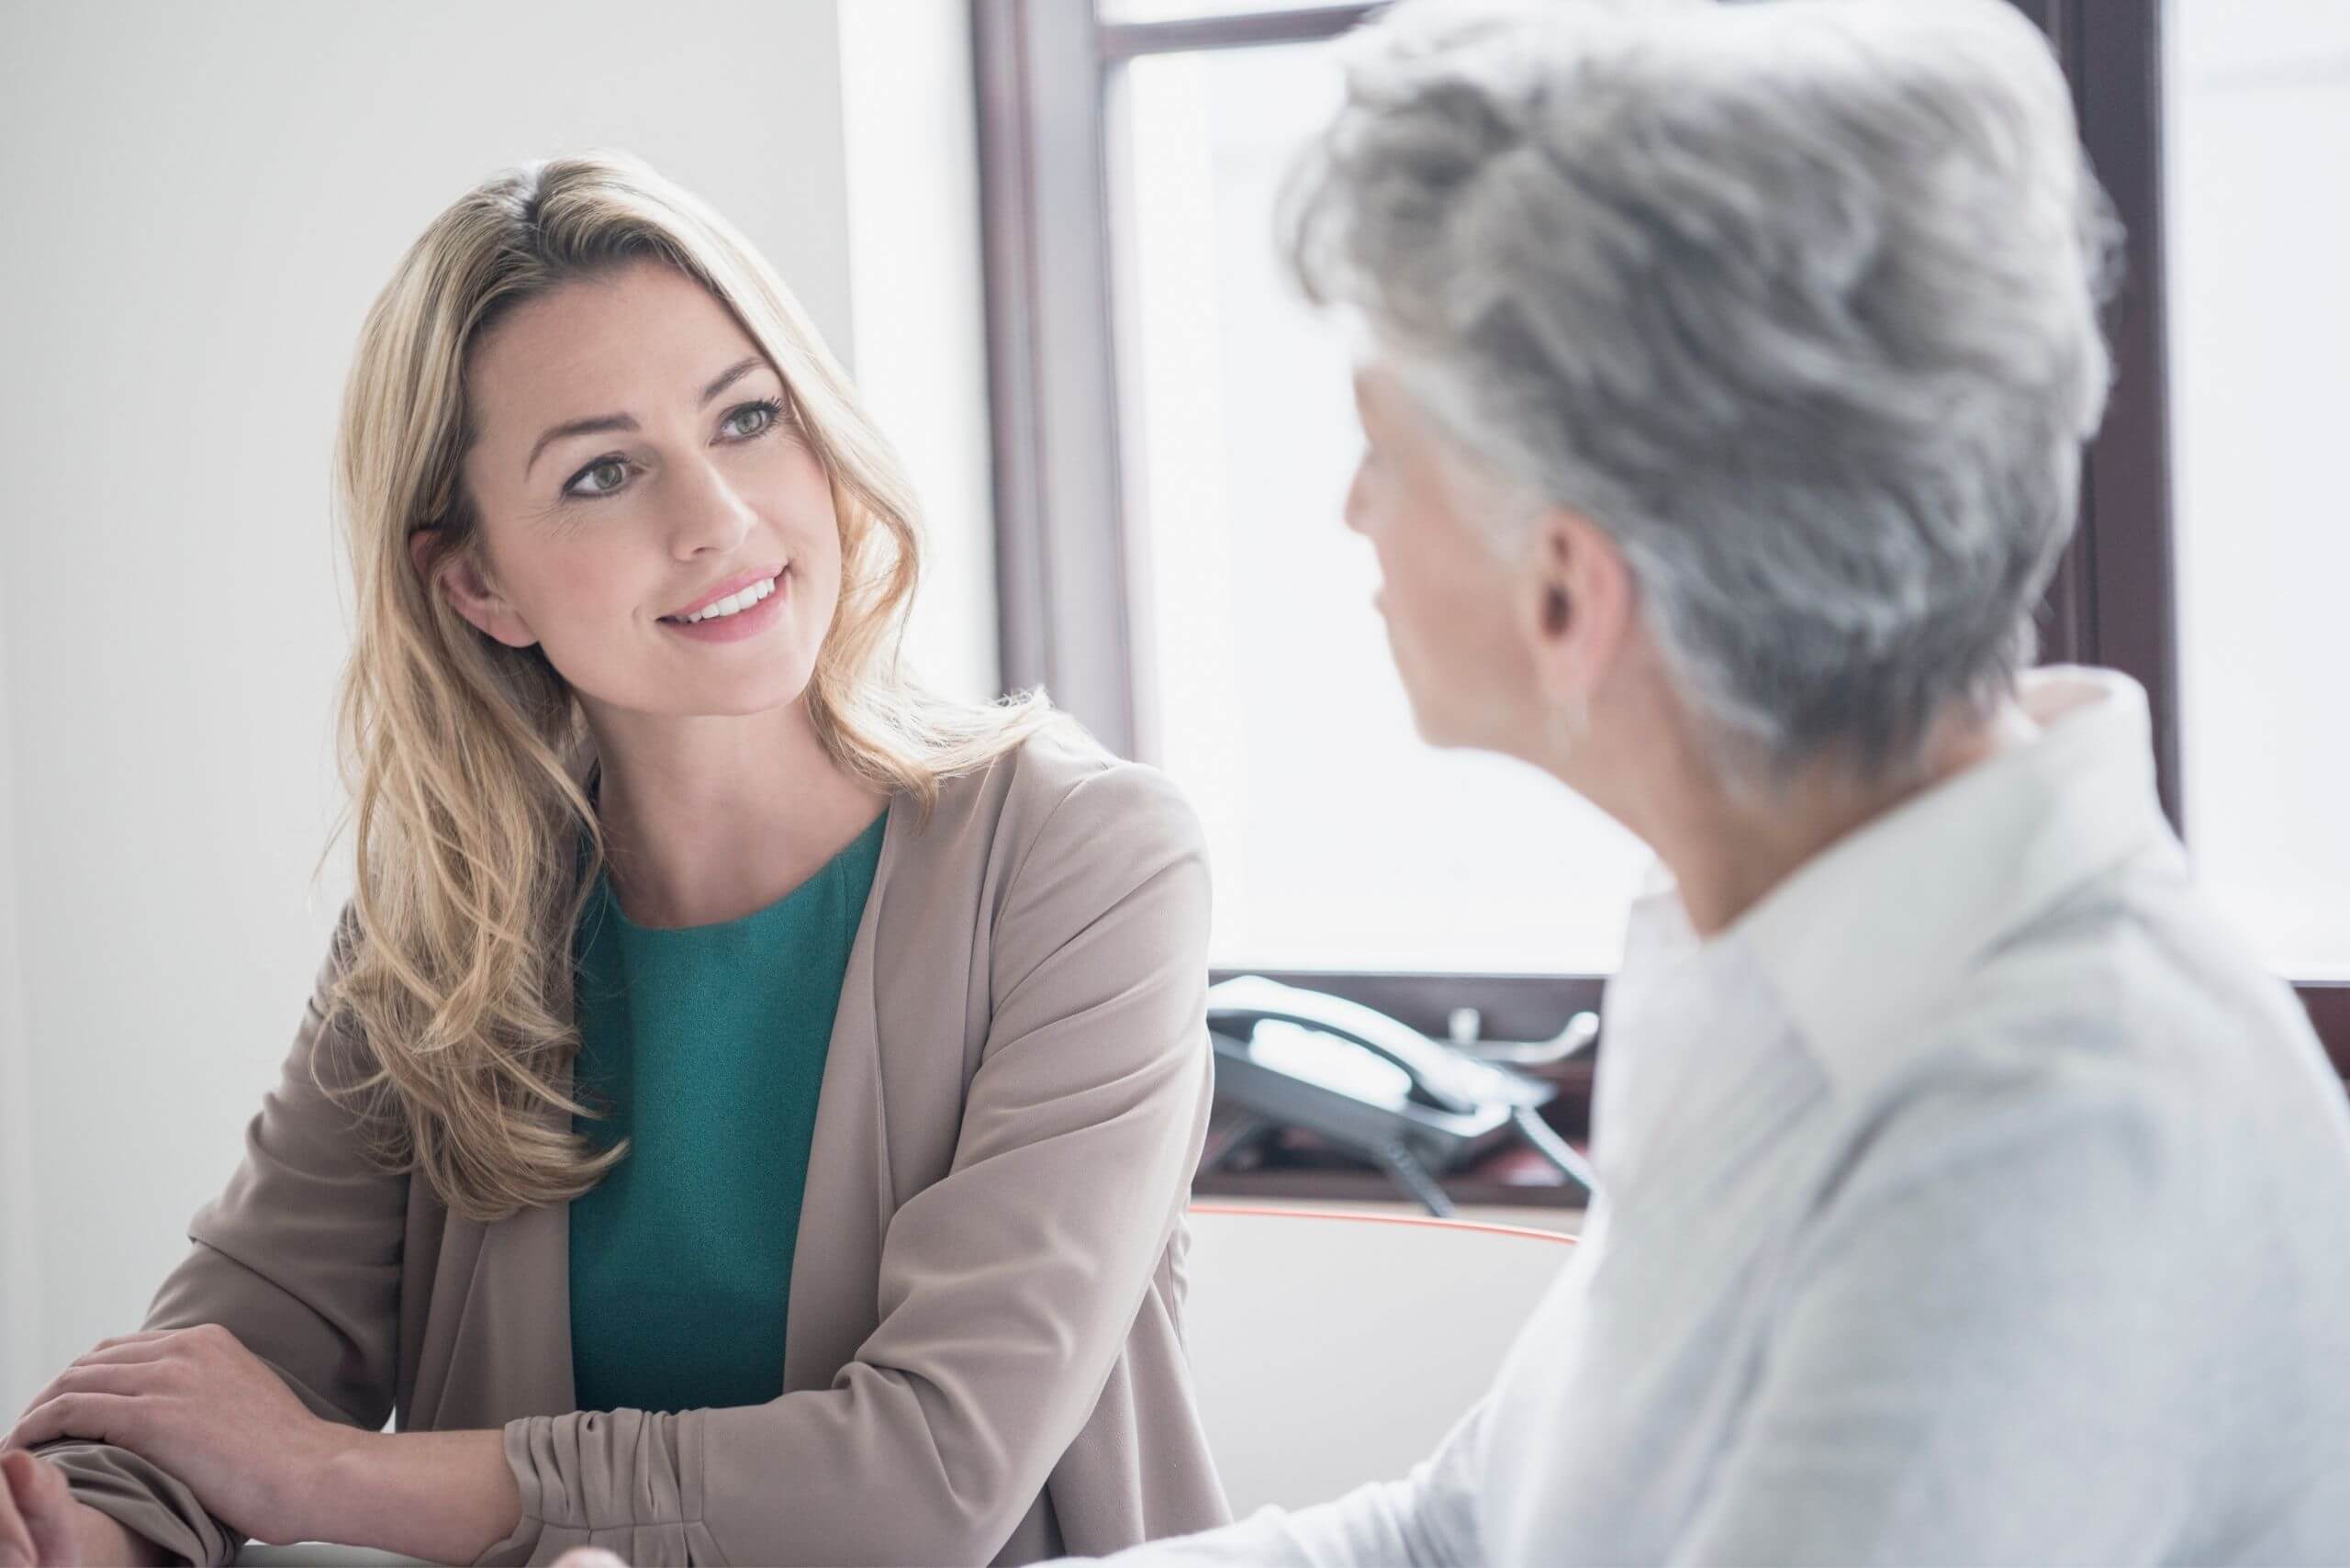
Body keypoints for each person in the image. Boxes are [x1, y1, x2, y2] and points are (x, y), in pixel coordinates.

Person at [1042, 0, 2346, 1562]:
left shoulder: (2043, 1143)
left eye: (1381, 453)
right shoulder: (1792, 939)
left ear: (1569, 598)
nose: (1350, 512)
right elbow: (1457, 1536)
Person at [0, 150, 1229, 1566]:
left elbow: (928, 1481)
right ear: (476, 583)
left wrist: (336, 1480)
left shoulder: (1086, 863)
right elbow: (215, 1396)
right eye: (601, 472)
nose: (717, 516)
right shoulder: (441, 934)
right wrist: (64, 1529)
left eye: (749, 417)